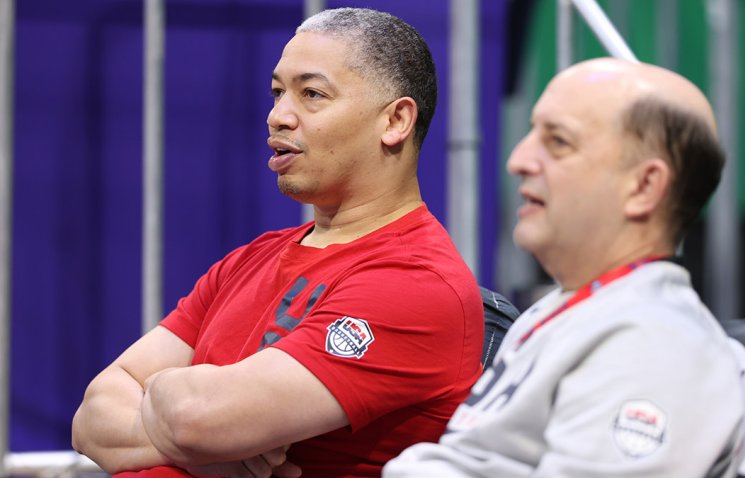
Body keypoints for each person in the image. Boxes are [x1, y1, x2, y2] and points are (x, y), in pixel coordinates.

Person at [71, 8, 484, 478]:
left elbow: (196, 420)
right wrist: (212, 455)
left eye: (311, 94)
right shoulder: (250, 258)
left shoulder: (415, 282)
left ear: (395, 121)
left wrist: (179, 410)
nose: (278, 116)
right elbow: (91, 419)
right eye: (276, 93)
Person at [384, 57, 745, 477]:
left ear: (644, 187)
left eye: (558, 142)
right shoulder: (575, 307)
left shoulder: (654, 345)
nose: (518, 159)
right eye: (532, 133)